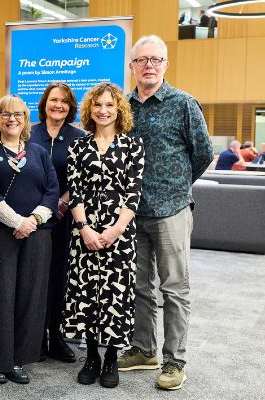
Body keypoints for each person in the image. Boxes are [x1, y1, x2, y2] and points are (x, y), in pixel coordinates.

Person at [119, 35, 213, 391]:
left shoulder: (184, 103)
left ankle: (175, 360)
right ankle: (144, 350)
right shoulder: (123, 106)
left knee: (174, 288)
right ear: (132, 67)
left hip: (172, 209)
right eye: (142, 60)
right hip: (131, 211)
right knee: (140, 287)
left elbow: (203, 153)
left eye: (155, 60)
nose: (149, 66)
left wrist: (176, 184)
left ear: (165, 64)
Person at [62, 82, 145, 389]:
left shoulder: (133, 146)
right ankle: (91, 356)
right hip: (85, 230)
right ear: (90, 109)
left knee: (116, 295)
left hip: (120, 232)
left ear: (119, 109)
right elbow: (76, 191)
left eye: (110, 105)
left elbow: (134, 192)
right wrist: (84, 228)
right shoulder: (78, 146)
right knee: (86, 294)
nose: (104, 110)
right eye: (98, 105)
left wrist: (116, 229)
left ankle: (111, 357)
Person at [0, 95, 58, 386]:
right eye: (6, 114)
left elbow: (52, 190)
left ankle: (20, 359)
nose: (12, 119)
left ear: (25, 119)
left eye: (18, 114)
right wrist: (16, 222)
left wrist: (33, 221)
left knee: (30, 297)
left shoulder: (38, 153)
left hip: (37, 235)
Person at [30, 82, 85, 363]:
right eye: (53, 100)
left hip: (63, 218)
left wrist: (59, 204)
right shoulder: (29, 133)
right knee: (35, 278)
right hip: (31, 219)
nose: (58, 105)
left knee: (59, 277)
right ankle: (35, 337)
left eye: (64, 101)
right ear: (44, 103)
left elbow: (82, 179)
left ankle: (57, 335)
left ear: (70, 106)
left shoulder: (79, 137)